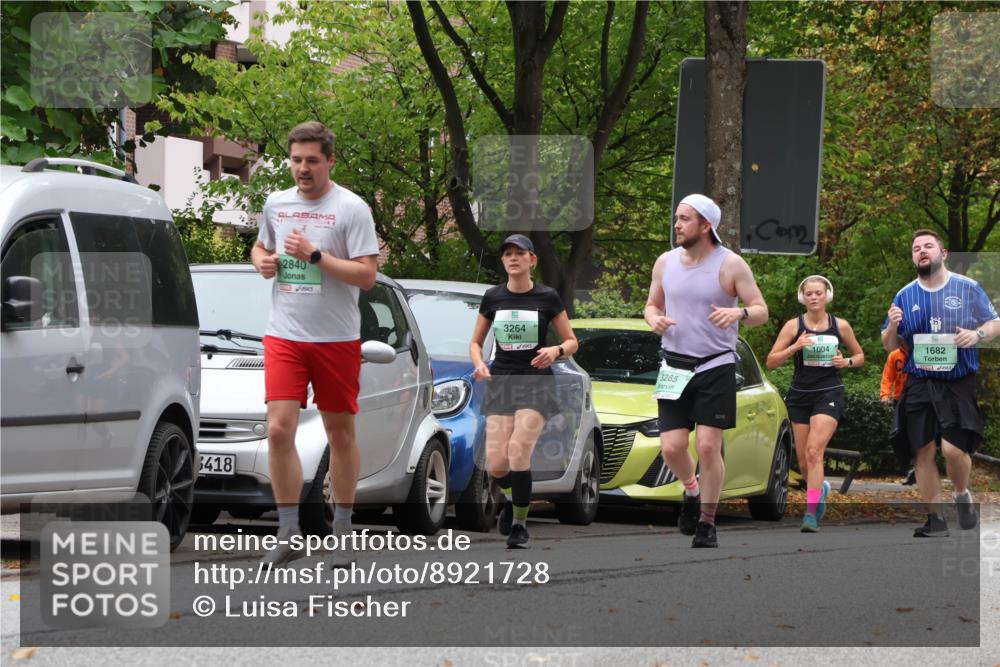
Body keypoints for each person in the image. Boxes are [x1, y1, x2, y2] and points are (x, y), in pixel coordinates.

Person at [252, 121, 379, 565]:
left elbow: (367, 275)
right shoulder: (276, 202)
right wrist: (263, 262)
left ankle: (342, 529)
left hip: (336, 338)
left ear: (330, 162)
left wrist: (317, 257)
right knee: (277, 429)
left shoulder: (352, 209)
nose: (302, 169)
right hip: (284, 332)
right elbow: (259, 246)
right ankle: (288, 531)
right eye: (296, 160)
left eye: (311, 160)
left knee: (340, 435)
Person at [644, 194, 769, 548]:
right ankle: (691, 490)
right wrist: (654, 319)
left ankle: (707, 521)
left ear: (705, 225)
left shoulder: (730, 265)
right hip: (673, 364)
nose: (677, 224)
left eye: (685, 219)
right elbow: (651, 305)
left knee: (708, 446)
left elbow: (761, 309)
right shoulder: (666, 262)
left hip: (715, 365)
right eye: (677, 218)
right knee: (671, 448)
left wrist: (739, 314)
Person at [882, 229, 999, 537]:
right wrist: (892, 325)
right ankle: (935, 520)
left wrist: (977, 335)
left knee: (952, 450)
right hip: (919, 379)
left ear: (943, 253)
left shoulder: (967, 287)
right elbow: (888, 344)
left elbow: (994, 322)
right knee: (922, 449)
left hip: (957, 380)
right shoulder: (904, 295)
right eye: (916, 248)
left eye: (928, 246)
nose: (922, 251)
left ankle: (961, 494)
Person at [469, 234, 579, 549]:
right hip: (502, 381)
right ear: (503, 261)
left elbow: (572, 341)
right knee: (497, 464)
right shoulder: (493, 297)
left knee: (519, 450)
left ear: (532, 260)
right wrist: (479, 364)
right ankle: (512, 498)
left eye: (519, 253)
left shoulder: (547, 297)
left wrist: (555, 351)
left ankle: (519, 525)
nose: (513, 258)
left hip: (536, 381)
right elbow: (476, 342)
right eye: (507, 254)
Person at [766, 275, 865, 532]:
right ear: (803, 297)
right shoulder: (793, 326)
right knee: (803, 459)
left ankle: (810, 514)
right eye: (809, 293)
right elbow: (771, 361)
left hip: (829, 393)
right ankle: (819, 489)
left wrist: (847, 363)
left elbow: (860, 355)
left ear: (826, 296)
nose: (813, 297)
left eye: (818, 293)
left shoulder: (840, 325)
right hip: (800, 395)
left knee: (814, 451)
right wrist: (795, 347)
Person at [880, 347, 915, 485]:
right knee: (897, 435)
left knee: (915, 434)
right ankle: (908, 469)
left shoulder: (918, 350)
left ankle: (915, 467)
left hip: (916, 398)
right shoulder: (894, 355)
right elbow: (888, 377)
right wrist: (884, 395)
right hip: (899, 400)